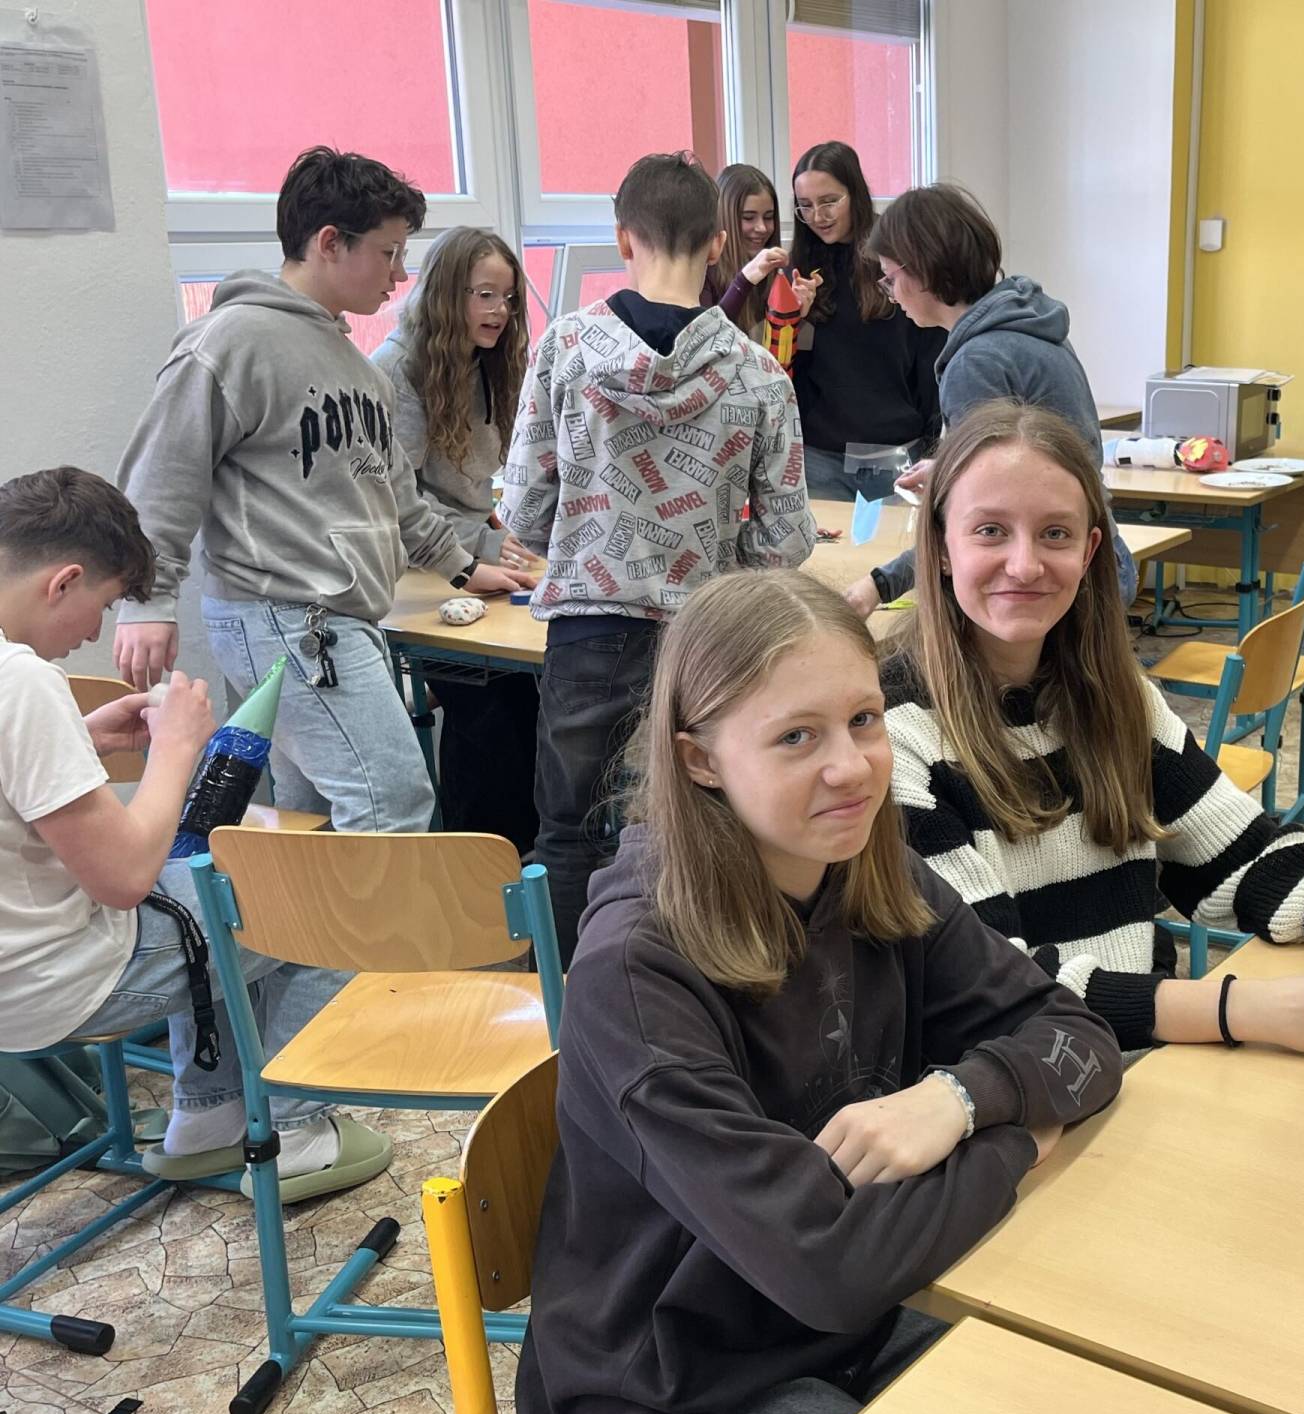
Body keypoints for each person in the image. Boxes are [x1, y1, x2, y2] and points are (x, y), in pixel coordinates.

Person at [516, 570, 1121, 1414]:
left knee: (1081, 1391)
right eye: (796, 737)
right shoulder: (635, 974)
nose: (850, 768)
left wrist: (958, 1099)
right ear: (699, 760)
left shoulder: (870, 871)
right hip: (673, 1389)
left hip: (843, 1327)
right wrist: (1017, 1137)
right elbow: (828, 1267)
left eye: (864, 720)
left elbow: (1080, 1039)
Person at [883, 401, 1304, 1055]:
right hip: (1016, 1075)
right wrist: (1243, 1008)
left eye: (1055, 534)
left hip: (1137, 1056)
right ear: (939, 547)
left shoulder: (1118, 701)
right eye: (990, 531)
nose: (1024, 564)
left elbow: (1246, 857)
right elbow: (996, 989)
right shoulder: (891, 736)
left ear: (1090, 551)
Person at [114, 147, 531, 836]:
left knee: (309, 820)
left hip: (337, 617)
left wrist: (463, 565)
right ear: (330, 242)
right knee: (393, 800)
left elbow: (395, 497)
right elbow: (162, 476)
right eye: (389, 253)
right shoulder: (232, 342)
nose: (400, 275)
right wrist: (146, 600)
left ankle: (304, 918)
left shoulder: (358, 370)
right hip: (284, 613)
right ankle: (391, 922)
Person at [0, 466, 387, 1196]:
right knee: (321, 895)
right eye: (103, 606)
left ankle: (208, 1120)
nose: (95, 631)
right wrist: (176, 750)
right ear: (64, 581)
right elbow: (126, 878)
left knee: (213, 881)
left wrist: (79, 740)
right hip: (49, 984)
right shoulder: (21, 681)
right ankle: (300, 1131)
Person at [500, 152, 814, 963]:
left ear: (622, 239)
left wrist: (586, 527)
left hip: (587, 630)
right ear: (718, 244)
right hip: (707, 639)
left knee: (567, 833)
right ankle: (683, 991)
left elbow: (525, 512)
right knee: (697, 826)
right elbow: (784, 543)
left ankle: (567, 1003)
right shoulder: (757, 372)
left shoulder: (565, 349)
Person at [844, 182, 1137, 612]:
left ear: (922, 269)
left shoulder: (976, 362)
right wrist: (948, 466)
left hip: (1052, 575)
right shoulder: (1027, 323)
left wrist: (879, 585)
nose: (890, 294)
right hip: (1095, 555)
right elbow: (1036, 455)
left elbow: (985, 510)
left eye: (889, 279)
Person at [372, 226, 542, 851]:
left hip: (465, 554)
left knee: (525, 698)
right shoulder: (397, 370)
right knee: (487, 715)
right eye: (484, 295)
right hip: (422, 575)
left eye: (508, 297)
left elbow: (458, 479)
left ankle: (520, 861)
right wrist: (473, 550)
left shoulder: (480, 359)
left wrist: (486, 522)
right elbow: (398, 499)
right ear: (448, 295)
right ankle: (485, 868)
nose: (500, 311)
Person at [787, 141, 943, 501]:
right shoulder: (797, 272)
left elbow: (929, 352)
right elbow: (780, 369)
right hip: (819, 457)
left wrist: (932, 443)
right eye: (805, 206)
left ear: (855, 194)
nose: (818, 216)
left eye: (829, 201)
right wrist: (792, 319)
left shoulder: (897, 259)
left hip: (897, 453)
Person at [700, 163, 819, 332]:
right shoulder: (702, 273)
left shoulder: (783, 271)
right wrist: (744, 281)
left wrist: (794, 315)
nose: (762, 228)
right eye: (749, 217)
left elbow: (783, 346)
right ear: (724, 218)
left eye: (769, 217)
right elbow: (706, 338)